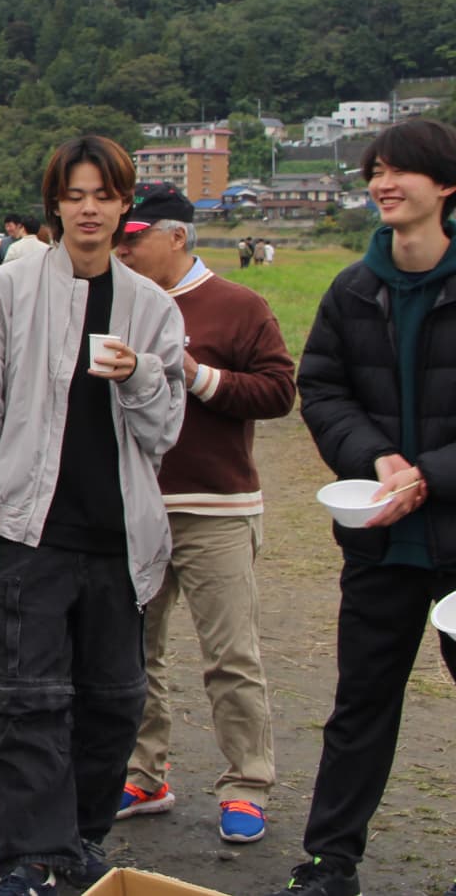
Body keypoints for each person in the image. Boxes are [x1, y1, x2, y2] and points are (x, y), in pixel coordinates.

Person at [0, 136, 186, 896]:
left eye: (103, 195)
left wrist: (141, 376)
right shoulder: (12, 288)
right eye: (75, 194)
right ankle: (27, 854)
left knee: (116, 699)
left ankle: (78, 838)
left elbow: (166, 430)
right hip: (30, 526)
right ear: (55, 203)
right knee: (28, 696)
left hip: (120, 536)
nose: (88, 208)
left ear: (124, 207)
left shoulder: (151, 307)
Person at [261, 119, 456, 896]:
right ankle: (329, 861)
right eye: (376, 168)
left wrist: (431, 475)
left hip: (454, 531)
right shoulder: (353, 287)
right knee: (360, 705)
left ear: (445, 184)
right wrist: (376, 459)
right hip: (379, 538)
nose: (383, 181)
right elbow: (325, 388)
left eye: (402, 169)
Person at [111, 183, 295, 843]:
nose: (122, 250)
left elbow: (279, 390)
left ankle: (247, 780)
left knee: (230, 653)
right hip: (138, 503)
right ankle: (144, 770)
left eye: (133, 240)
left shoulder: (238, 306)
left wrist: (195, 373)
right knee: (134, 651)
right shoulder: (119, 303)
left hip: (217, 503)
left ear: (176, 237)